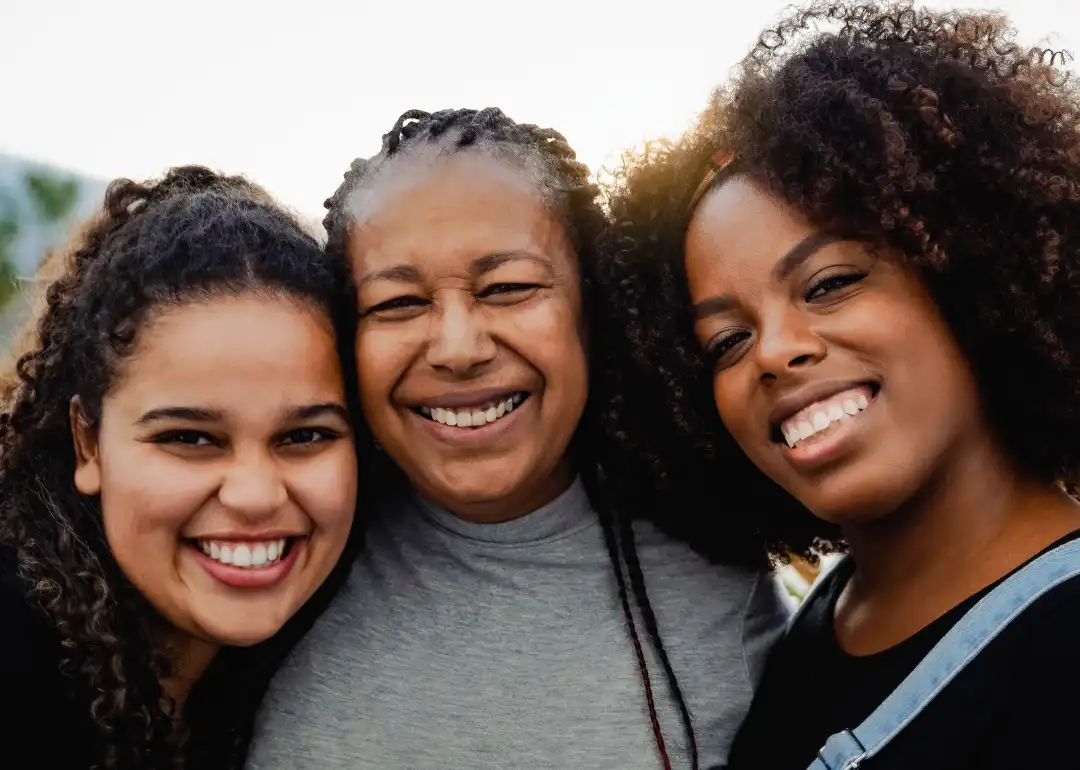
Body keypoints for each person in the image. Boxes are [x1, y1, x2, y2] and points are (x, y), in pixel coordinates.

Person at [600, 2, 1080, 768]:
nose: (775, 353)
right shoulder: (824, 619)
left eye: (829, 284)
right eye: (725, 340)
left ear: (965, 272)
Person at [246, 108, 788, 770]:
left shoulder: (717, 577)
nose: (458, 348)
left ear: (593, 308)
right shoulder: (270, 565)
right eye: (398, 304)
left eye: (508, 288)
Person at [0, 166, 362, 770]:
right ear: (88, 444)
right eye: (190, 437)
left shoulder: (270, 682)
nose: (254, 495)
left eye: (305, 435)